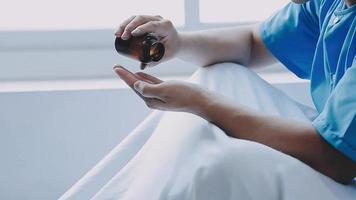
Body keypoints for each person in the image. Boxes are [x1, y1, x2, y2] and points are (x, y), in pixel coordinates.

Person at [60, 0, 355, 199]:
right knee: (221, 75)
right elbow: (253, 44)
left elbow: (336, 158)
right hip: (334, 152)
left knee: (219, 165)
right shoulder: (330, 3)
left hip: (340, 164)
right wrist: (177, 43)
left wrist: (202, 104)